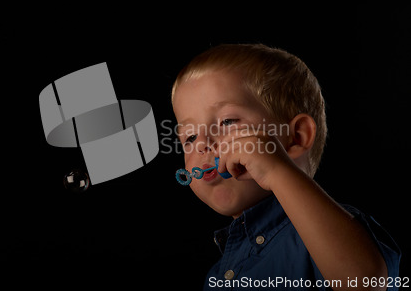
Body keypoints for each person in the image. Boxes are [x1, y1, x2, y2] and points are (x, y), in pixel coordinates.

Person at [171, 44, 401, 290]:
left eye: (227, 121)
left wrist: (276, 171)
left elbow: (366, 283)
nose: (203, 144)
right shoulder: (217, 276)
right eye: (190, 137)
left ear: (296, 137)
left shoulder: (332, 235)